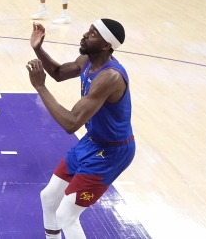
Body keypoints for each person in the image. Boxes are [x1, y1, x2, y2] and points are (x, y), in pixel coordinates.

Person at [27, 21, 135, 239]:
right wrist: (38, 49)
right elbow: (58, 73)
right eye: (89, 30)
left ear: (106, 45)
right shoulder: (87, 60)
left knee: (66, 215)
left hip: (112, 153)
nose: (85, 35)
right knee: (48, 197)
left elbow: (71, 123)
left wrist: (40, 86)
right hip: (92, 141)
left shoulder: (110, 77)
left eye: (93, 34)